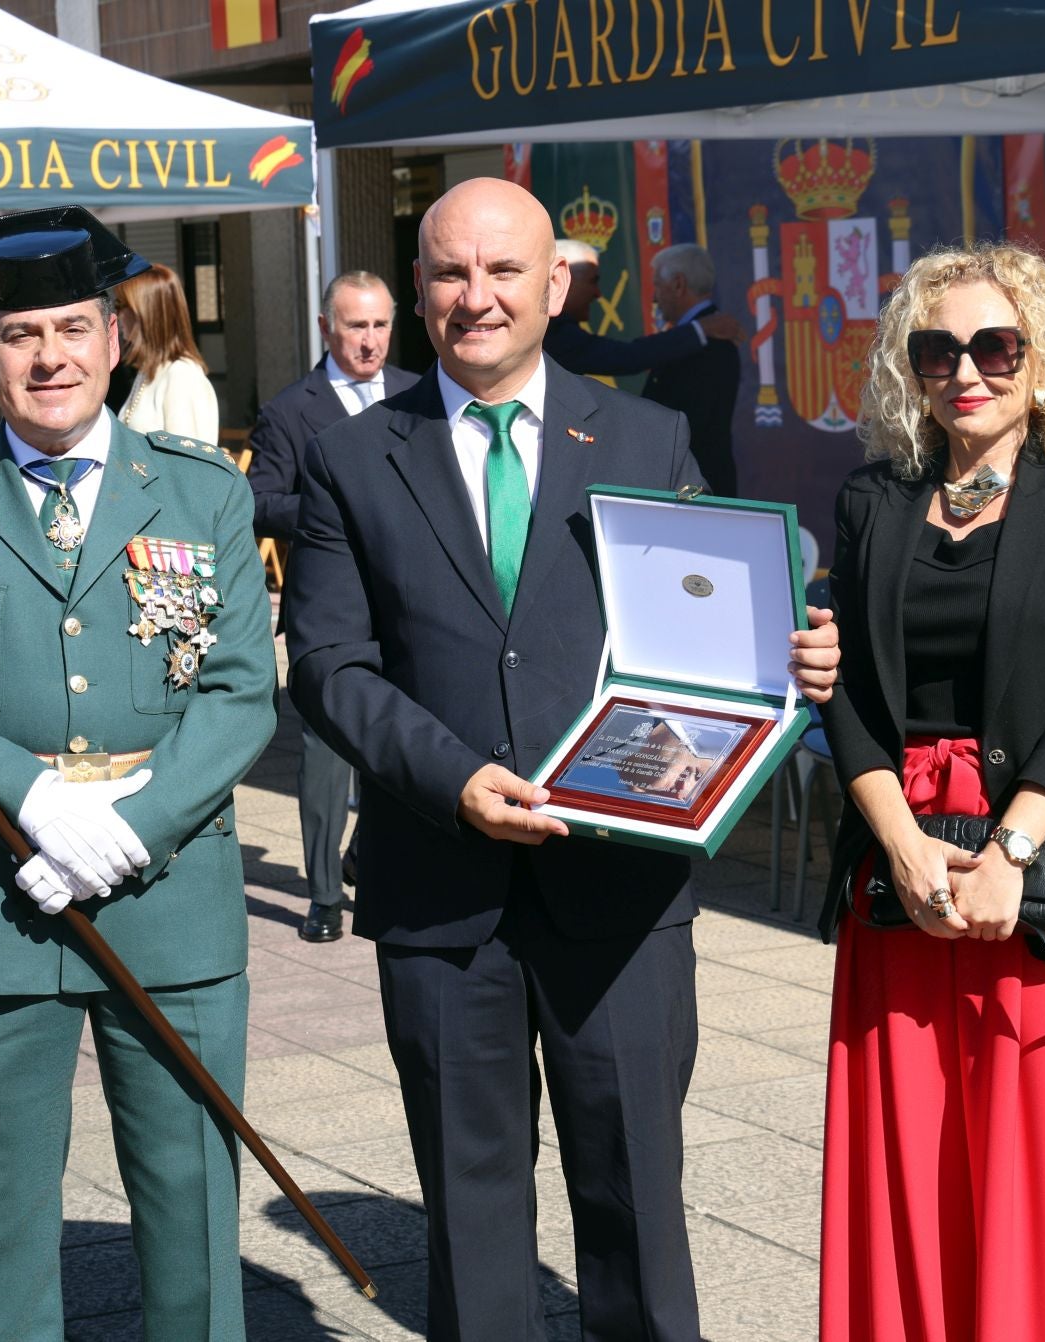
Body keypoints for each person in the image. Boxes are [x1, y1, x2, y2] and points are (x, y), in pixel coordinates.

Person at [285, 178, 839, 1341]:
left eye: (501, 272)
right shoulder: (348, 458)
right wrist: (454, 780)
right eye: (448, 272)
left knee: (637, 1200)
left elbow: (714, 641)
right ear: (420, 288)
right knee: (472, 1215)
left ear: (554, 285)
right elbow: (330, 665)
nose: (474, 298)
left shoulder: (644, 436)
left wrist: (795, 653)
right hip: (442, 892)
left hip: (621, 887)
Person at [0, 206, 276, 1342]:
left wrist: (133, 824)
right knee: (0, 1223)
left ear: (116, 340)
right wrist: (32, 801)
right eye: (21, 333)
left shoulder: (203, 492)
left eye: (75, 329)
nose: (50, 357)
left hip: (171, 896)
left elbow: (241, 691)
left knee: (192, 1205)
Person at [816, 243, 1045, 1341]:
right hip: (901, 861)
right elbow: (851, 697)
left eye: (995, 346)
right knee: (908, 1163)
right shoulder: (874, 498)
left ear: (1039, 357)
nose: (966, 370)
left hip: (1039, 868)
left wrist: (1008, 854)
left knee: (1033, 1172)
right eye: (938, 348)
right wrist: (904, 846)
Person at [246, 270, 419, 943]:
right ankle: (322, 893)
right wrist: (338, 509)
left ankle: (366, 852)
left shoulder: (418, 394)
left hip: (408, 606)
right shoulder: (293, 409)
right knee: (325, 754)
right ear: (327, 329)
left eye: (380, 325)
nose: (370, 340)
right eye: (356, 326)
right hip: (328, 609)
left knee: (401, 741)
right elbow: (258, 500)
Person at [544, 238, 742, 377]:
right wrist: (701, 329)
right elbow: (627, 357)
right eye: (592, 281)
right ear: (559, 279)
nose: (598, 293)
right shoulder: (552, 330)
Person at [640, 244, 742, 496]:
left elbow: (688, 425)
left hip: (693, 490)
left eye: (657, 286)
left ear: (677, 285)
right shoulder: (701, 337)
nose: (654, 298)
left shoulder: (708, 344)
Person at [114, 261, 218, 444]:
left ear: (144, 313)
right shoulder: (149, 371)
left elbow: (187, 461)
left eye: (121, 304)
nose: (117, 314)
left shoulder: (181, 375)